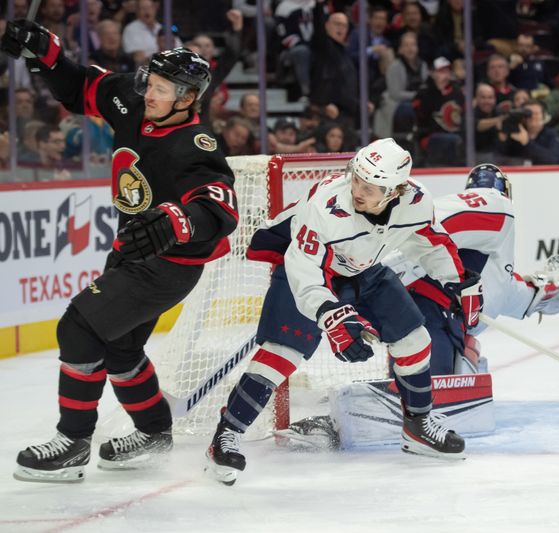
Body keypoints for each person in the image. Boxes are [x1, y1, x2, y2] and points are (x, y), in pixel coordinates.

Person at [2, 21, 238, 482]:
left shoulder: (196, 145)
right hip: (131, 253)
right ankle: (153, 432)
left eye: (164, 89)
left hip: (169, 266)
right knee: (121, 349)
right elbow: (82, 86)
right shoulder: (134, 103)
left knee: (78, 327)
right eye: (151, 82)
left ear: (188, 98)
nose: (151, 93)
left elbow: (219, 206)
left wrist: (176, 221)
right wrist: (43, 52)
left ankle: (72, 442)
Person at [206, 138, 480, 485]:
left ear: (396, 191)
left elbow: (428, 239)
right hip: (305, 266)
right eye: (356, 180)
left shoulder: (416, 201)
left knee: (415, 340)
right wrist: (332, 317)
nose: (358, 191)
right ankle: (226, 434)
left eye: (370, 187)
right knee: (282, 354)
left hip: (363, 268)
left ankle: (417, 426)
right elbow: (305, 271)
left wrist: (461, 280)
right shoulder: (326, 207)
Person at [384, 164, 559, 376]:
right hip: (429, 318)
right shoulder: (496, 204)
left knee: (438, 383)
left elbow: (536, 298)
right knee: (424, 400)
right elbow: (439, 222)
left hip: (436, 327)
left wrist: (554, 287)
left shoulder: (500, 274)